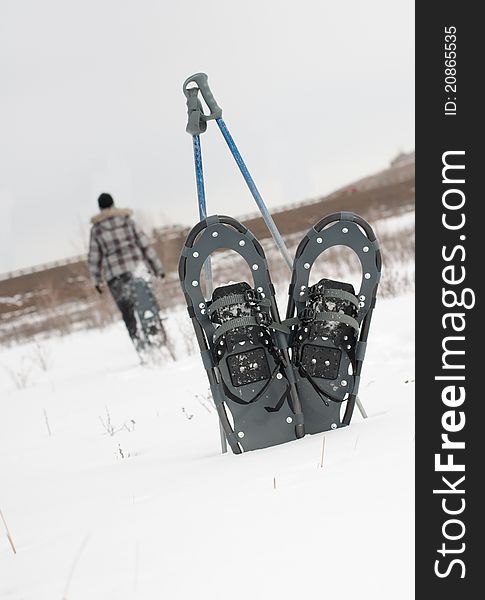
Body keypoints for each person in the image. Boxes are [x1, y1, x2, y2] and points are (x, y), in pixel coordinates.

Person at [88, 193, 165, 350]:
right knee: (147, 304)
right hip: (137, 269)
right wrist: (158, 268)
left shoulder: (97, 230)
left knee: (127, 311)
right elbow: (145, 245)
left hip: (115, 276)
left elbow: (94, 257)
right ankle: (156, 338)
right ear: (113, 204)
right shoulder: (127, 221)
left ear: (100, 207)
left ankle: (139, 344)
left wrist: (96, 280)